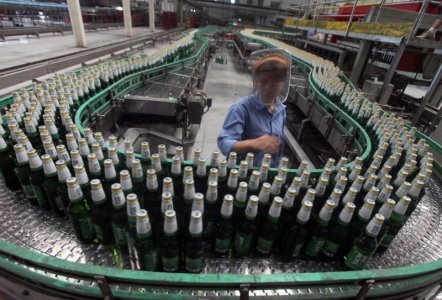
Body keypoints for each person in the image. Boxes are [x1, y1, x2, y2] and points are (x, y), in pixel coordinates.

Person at [217, 49, 291, 168]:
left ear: (283, 83)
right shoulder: (241, 108)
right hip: (243, 175)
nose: (268, 88)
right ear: (256, 81)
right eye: (263, 81)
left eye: (275, 83)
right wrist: (254, 143)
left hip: (267, 175)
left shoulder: (281, 110)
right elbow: (224, 143)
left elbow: (277, 151)